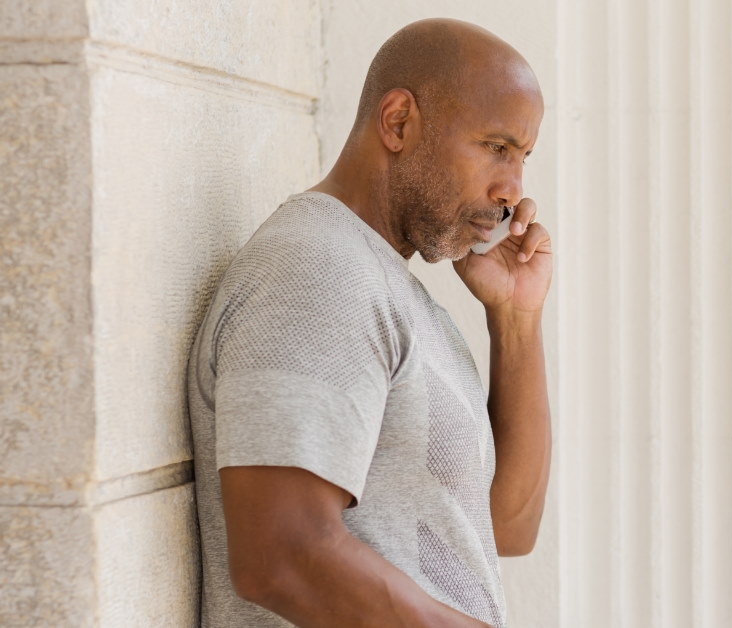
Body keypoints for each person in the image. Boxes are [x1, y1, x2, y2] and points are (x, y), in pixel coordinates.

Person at [186, 18, 551, 627]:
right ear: (399, 121)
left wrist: (516, 318)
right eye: (496, 147)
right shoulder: (315, 268)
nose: (513, 189)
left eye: (523, 158)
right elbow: (280, 551)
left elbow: (504, 526)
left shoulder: (383, 284)